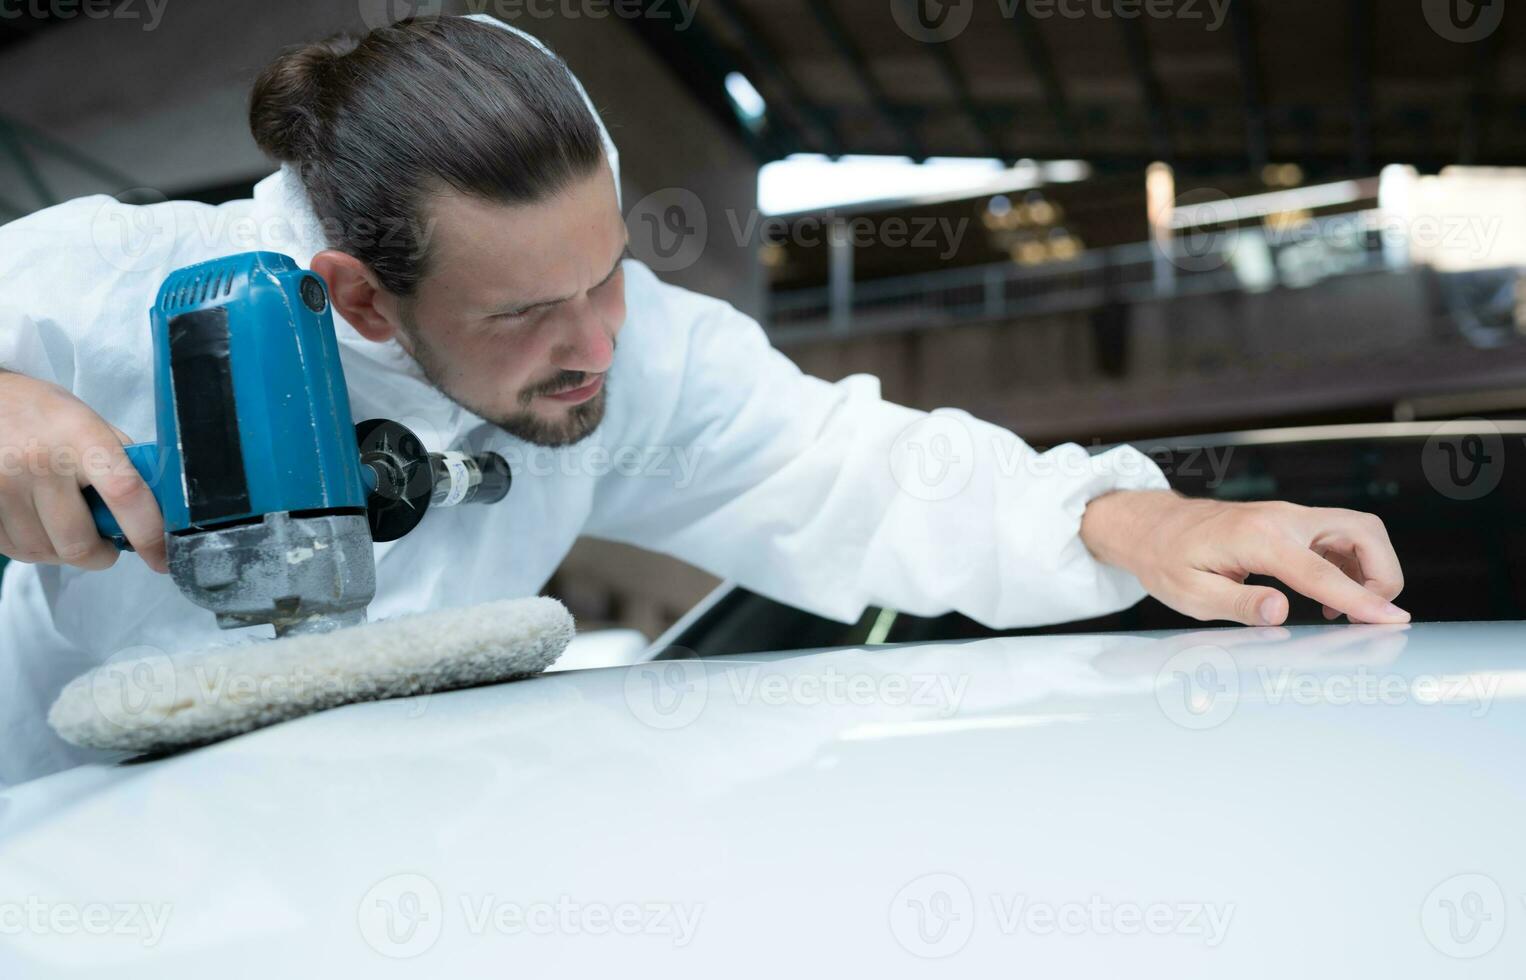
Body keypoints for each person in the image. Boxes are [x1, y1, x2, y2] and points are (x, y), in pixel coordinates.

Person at [0, 14, 1406, 784]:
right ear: (359, 296)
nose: (598, 344)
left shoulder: (641, 353)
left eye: (607, 275)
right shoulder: (93, 288)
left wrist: (1123, 521)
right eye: (524, 314)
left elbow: (847, 470)